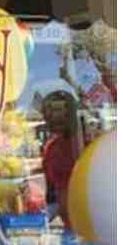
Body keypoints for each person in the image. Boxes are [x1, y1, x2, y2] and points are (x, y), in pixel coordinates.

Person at [41, 91, 78, 231]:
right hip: (69, 220)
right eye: (48, 112)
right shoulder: (52, 147)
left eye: (58, 111)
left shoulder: (85, 142)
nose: (52, 117)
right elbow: (51, 186)